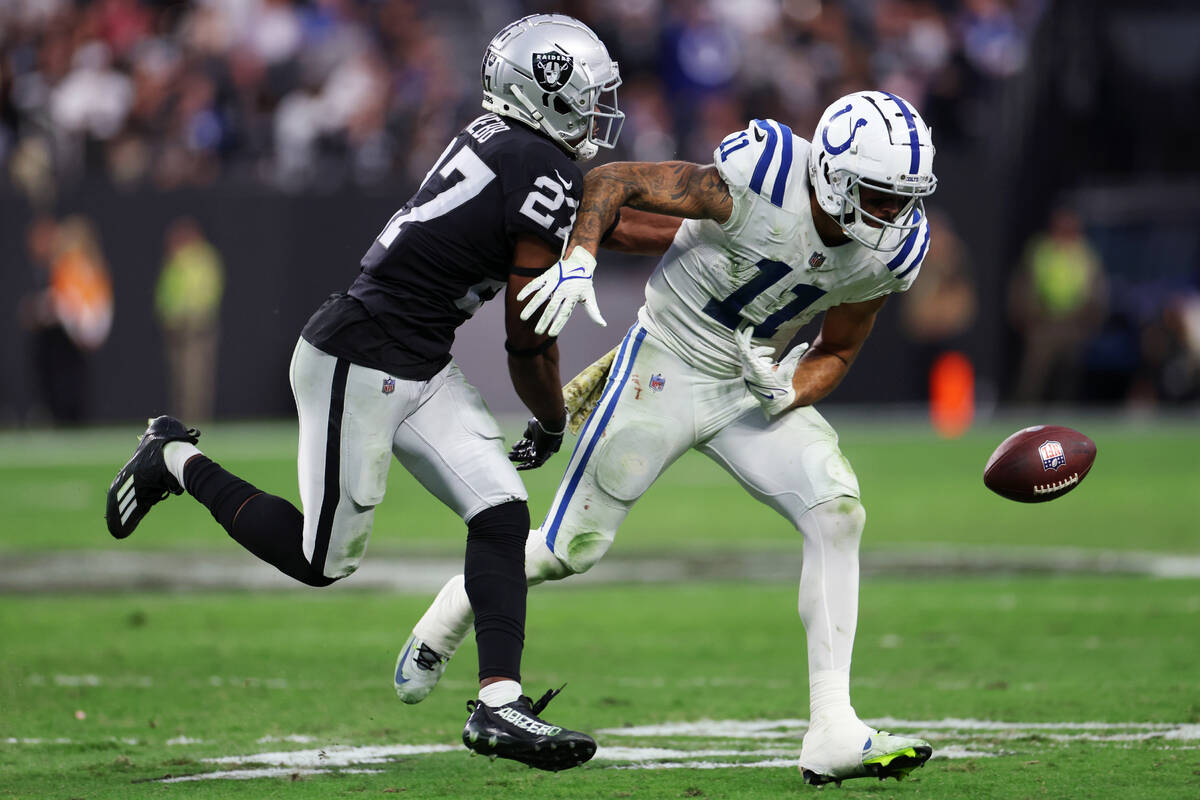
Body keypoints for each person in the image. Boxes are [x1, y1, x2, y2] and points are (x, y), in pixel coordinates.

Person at [104, 13, 627, 772]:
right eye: (586, 94)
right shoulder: (537, 163)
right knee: (321, 560)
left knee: (502, 512)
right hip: (362, 353)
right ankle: (173, 457)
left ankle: (498, 705)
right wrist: (550, 418)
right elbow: (527, 336)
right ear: (542, 92)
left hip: (414, 355)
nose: (596, 112)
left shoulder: (510, 145)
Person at [397, 90, 940, 787]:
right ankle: (451, 610)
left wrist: (791, 389)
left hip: (749, 382)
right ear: (833, 176)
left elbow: (838, 350)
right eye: (881, 196)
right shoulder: (765, 171)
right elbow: (612, 180)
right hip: (666, 362)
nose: (896, 215)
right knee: (570, 549)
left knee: (838, 510)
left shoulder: (892, 253)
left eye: (905, 199)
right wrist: (582, 258)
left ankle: (832, 727)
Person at [155, 217, 225, 422]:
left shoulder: (203, 258)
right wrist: (168, 316)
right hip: (176, 331)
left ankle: (198, 421)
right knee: (179, 381)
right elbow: (166, 293)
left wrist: (192, 315)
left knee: (195, 380)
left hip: (197, 331)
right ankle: (181, 421)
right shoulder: (174, 261)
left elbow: (208, 292)